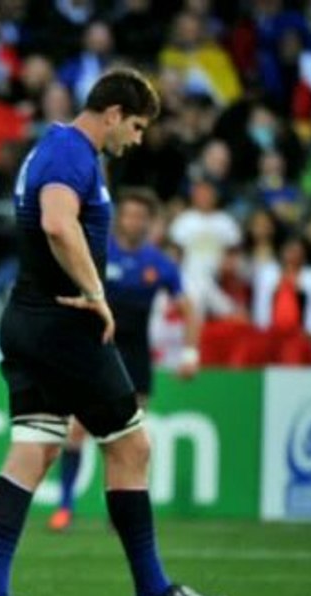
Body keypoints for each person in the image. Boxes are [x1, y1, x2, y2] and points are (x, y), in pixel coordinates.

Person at [0, 68, 229, 596]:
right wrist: (95, 293)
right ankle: (153, 593)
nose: (136, 138)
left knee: (33, 448)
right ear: (112, 114)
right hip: (65, 323)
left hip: (27, 319)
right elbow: (58, 224)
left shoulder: (57, 149)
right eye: (135, 126)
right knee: (132, 447)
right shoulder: (71, 151)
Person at [47, 188, 199, 532]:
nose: (133, 221)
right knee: (77, 431)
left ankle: (118, 513)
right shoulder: (99, 254)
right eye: (128, 215)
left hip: (135, 357)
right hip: (96, 351)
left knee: (126, 442)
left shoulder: (158, 263)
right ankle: (65, 506)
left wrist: (190, 354)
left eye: (140, 216)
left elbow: (190, 309)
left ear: (149, 222)